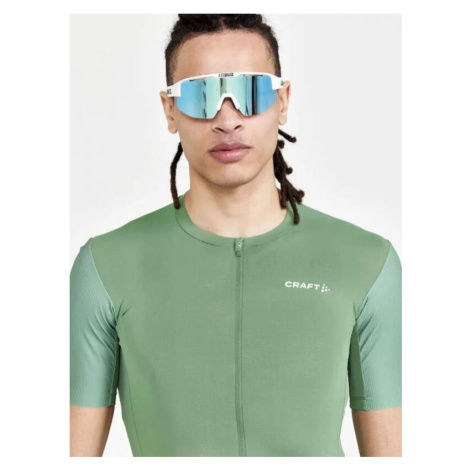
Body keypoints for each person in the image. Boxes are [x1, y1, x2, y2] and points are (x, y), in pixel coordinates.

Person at [70, 14, 402, 457]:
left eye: (252, 92)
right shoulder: (105, 266)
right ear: (170, 110)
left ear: (282, 101)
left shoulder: (366, 262)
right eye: (200, 95)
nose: (228, 120)